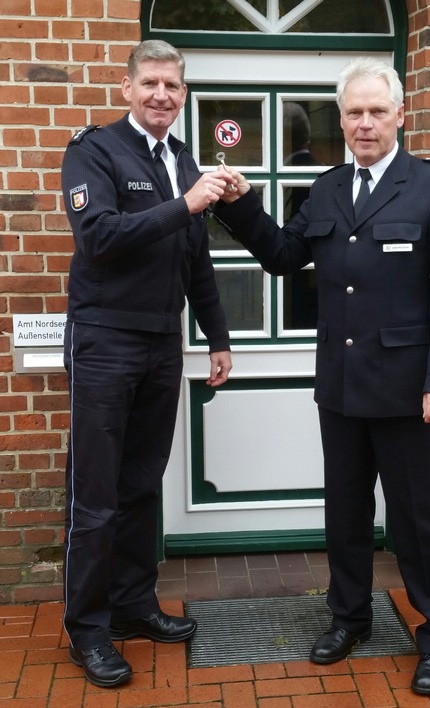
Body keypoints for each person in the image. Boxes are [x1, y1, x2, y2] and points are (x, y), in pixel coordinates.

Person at [214, 57, 430, 697]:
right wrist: (244, 204)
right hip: (341, 383)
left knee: (421, 519)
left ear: (400, 116)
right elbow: (282, 257)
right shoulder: (328, 188)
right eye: (354, 112)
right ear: (342, 117)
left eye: (377, 111)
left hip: (413, 392)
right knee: (346, 514)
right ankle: (349, 618)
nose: (365, 123)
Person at [60, 40, 233, 688]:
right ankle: (89, 630)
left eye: (173, 86)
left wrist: (216, 335)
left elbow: (197, 260)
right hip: (105, 342)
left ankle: (133, 605)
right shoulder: (94, 151)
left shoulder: (182, 159)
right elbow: (99, 238)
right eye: (151, 82)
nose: (162, 94)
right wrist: (185, 203)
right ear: (128, 87)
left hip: (164, 343)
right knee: (96, 496)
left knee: (140, 487)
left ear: (183, 95)